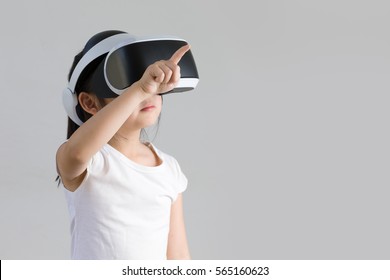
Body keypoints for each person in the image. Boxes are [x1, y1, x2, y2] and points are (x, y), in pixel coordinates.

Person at [56, 30, 191, 260]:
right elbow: (76, 155)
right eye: (128, 86)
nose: (149, 92)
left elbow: (178, 255)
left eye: (153, 83)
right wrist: (139, 89)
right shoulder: (90, 162)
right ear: (89, 102)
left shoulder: (169, 169)